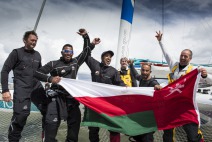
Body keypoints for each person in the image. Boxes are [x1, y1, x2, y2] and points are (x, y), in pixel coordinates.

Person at [34, 28, 99, 142]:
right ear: (62, 52)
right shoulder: (53, 63)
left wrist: (86, 37)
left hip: (72, 99)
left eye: (70, 52)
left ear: (72, 53)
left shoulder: (75, 62)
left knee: (74, 133)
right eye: (66, 51)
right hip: (56, 99)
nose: (68, 53)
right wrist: (50, 78)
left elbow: (86, 52)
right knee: (50, 133)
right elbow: (37, 73)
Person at [155, 31, 212, 142]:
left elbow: (210, 81)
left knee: (192, 135)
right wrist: (160, 41)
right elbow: (166, 54)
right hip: (171, 105)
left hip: (186, 107)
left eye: (185, 56)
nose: (182, 57)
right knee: (168, 132)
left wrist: (205, 75)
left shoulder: (194, 71)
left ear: (190, 59)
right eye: (181, 55)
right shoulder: (174, 65)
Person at [1, 30, 47, 142]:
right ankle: (13, 139)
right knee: (21, 116)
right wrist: (5, 90)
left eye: (35, 41)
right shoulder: (16, 53)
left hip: (36, 87)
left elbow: (40, 73)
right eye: (32, 40)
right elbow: (4, 71)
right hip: (22, 88)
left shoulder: (37, 55)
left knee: (48, 110)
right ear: (25, 40)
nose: (34, 42)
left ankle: (46, 137)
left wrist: (49, 82)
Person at [85, 44, 126, 142]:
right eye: (106, 56)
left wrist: (127, 88)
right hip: (95, 103)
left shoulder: (114, 71)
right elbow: (86, 55)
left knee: (114, 128)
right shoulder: (95, 65)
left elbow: (120, 83)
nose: (109, 58)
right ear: (102, 57)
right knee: (93, 128)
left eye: (110, 57)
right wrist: (89, 42)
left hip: (108, 104)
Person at [128, 62, 162, 142]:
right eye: (143, 70)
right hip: (141, 115)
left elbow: (157, 86)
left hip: (149, 117)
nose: (144, 72)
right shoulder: (141, 78)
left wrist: (157, 87)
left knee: (146, 138)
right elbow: (135, 74)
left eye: (147, 71)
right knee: (138, 136)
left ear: (150, 72)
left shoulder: (152, 82)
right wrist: (131, 65)